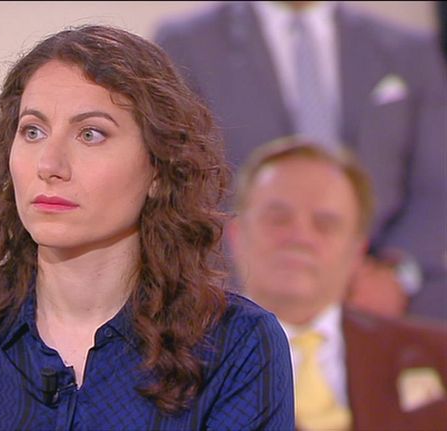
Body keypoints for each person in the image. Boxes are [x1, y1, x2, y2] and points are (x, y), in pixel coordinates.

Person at [0, 25, 294, 430]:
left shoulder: (235, 345)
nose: (49, 165)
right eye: (33, 131)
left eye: (90, 134)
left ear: (159, 168)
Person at [154, 1, 447, 321]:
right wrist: (265, 280)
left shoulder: (410, 51)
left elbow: (436, 186)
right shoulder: (187, 44)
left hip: (379, 297)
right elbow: (177, 185)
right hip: (234, 291)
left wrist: (395, 274)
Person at [227, 137, 447, 431]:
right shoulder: (182, 363)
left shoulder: (436, 356)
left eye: (325, 224)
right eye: (278, 219)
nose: (300, 238)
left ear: (357, 252)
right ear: (236, 235)